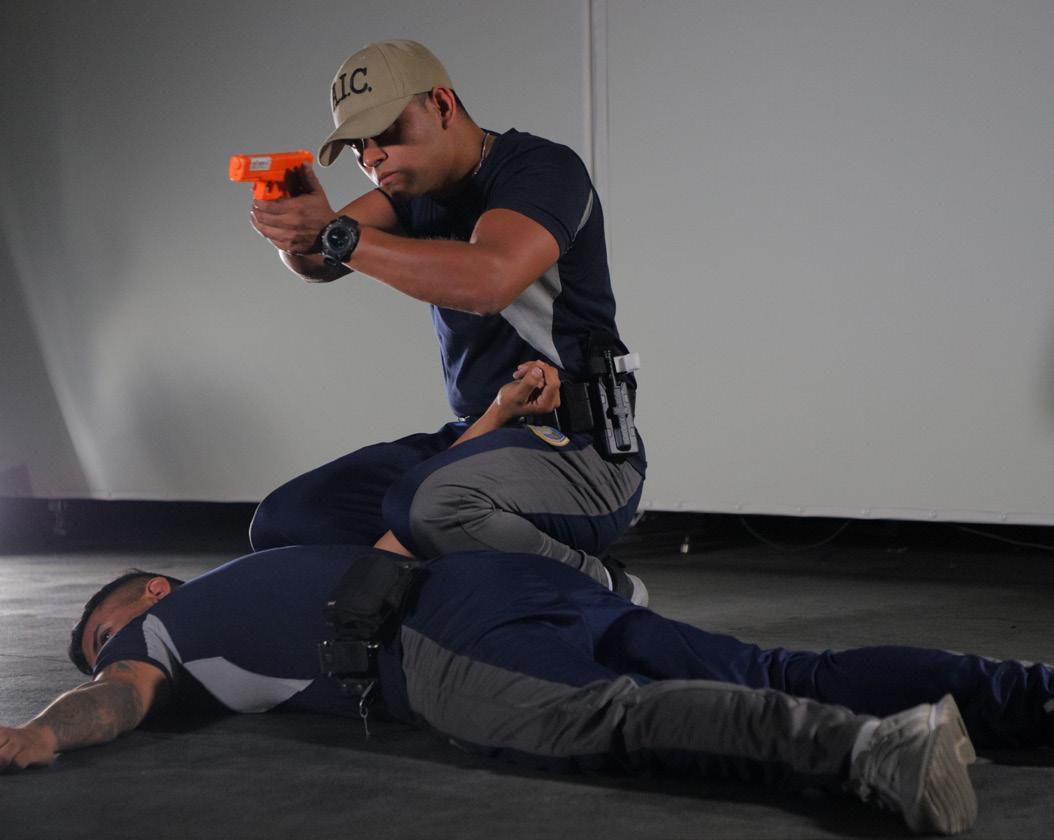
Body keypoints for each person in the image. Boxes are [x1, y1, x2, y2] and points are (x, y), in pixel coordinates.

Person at [10, 538, 1054, 835]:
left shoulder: (160, 628)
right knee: (774, 666)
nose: (104, 654)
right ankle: (1028, 698)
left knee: (602, 721)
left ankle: (871, 752)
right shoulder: (268, 566)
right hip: (503, 584)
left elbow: (116, 696)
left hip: (432, 640)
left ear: (147, 593)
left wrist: (46, 731)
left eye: (101, 634)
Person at [245, 39, 647, 602]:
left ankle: (602, 588)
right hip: (479, 436)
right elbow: (318, 261)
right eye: (358, 144)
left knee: (431, 506)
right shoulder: (411, 191)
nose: (371, 156)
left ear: (441, 104)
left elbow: (487, 282)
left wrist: (332, 233)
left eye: (386, 131)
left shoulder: (541, 169)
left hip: (583, 450)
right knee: (287, 520)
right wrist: (294, 225)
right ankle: (422, 613)